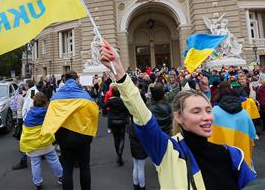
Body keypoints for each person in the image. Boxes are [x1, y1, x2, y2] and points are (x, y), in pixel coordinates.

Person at [100, 39, 255, 190]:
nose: (206, 116)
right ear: (179, 117)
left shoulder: (233, 156)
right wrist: (119, 70)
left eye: (208, 110)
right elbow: (142, 116)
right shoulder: (167, 151)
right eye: (196, 111)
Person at [40, 71, 99, 190]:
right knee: (84, 167)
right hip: (83, 135)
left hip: (65, 137)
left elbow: (51, 118)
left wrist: (53, 135)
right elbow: (94, 113)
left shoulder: (56, 98)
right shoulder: (85, 96)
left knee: (67, 169)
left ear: (64, 81)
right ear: (77, 79)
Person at [20, 92, 63, 190]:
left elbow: (25, 127)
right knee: (53, 159)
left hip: (32, 144)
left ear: (34, 101)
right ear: (45, 101)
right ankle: (61, 176)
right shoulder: (47, 112)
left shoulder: (30, 112)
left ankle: (37, 183)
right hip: (46, 142)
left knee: (35, 163)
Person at [208, 83, 256, 168]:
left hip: (217, 155)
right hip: (241, 154)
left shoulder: (213, 112)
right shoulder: (245, 114)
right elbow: (252, 134)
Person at [13, 79, 38, 170]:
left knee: (25, 141)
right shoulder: (31, 92)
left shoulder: (32, 92)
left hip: (29, 121)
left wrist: (25, 117)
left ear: (28, 85)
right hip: (29, 120)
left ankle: (23, 161)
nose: (24, 87)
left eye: (25, 85)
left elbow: (31, 106)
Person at [104, 86, 130, 166]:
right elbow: (127, 110)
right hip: (122, 121)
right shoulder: (123, 101)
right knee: (122, 138)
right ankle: (120, 155)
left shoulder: (110, 101)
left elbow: (104, 106)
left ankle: (118, 155)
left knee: (116, 138)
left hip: (113, 121)